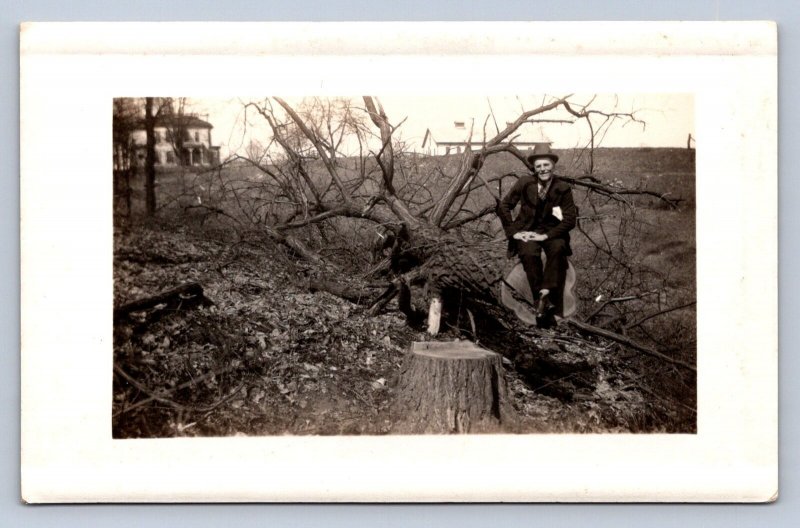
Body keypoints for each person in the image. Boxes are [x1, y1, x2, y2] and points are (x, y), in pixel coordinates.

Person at [498, 144, 577, 326]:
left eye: (546, 165)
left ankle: (546, 291)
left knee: (558, 248)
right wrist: (514, 233)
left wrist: (546, 237)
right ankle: (539, 300)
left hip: (551, 232)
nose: (542, 169)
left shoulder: (562, 188)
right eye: (538, 166)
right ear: (534, 168)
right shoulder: (525, 182)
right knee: (528, 253)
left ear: (553, 165)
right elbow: (504, 206)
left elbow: (570, 220)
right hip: (527, 230)